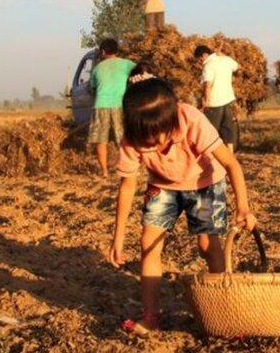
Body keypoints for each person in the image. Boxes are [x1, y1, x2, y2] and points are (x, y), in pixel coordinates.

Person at [107, 77, 256, 336]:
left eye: (158, 137)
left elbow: (231, 164)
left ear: (173, 120)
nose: (152, 144)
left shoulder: (192, 120)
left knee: (208, 245)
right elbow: (127, 186)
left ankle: (225, 312)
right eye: (146, 140)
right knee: (148, 244)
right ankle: (151, 316)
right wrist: (117, 238)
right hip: (163, 185)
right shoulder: (132, 138)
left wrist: (243, 206)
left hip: (204, 183)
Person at [88, 38, 136, 178]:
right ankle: (125, 168)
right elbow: (141, 71)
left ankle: (104, 172)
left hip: (100, 106)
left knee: (101, 140)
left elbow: (92, 88)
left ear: (103, 52)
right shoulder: (127, 64)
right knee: (122, 139)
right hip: (119, 106)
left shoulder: (97, 68)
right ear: (117, 50)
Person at [194, 45, 239, 152]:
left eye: (200, 59)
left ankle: (211, 157)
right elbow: (238, 66)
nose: (200, 62)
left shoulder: (208, 65)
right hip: (228, 101)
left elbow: (208, 85)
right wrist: (223, 55)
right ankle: (230, 156)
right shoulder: (227, 60)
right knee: (228, 130)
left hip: (214, 104)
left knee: (211, 132)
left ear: (204, 55)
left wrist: (205, 102)